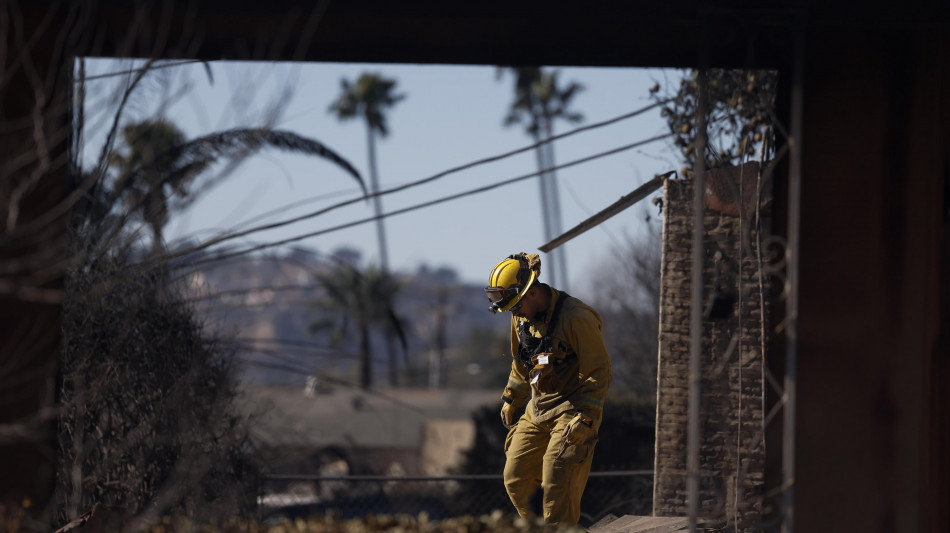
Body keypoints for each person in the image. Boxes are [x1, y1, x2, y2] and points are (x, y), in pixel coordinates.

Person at [484, 252, 611, 527]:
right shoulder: (520, 317)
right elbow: (521, 362)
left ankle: (559, 529)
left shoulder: (577, 318)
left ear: (530, 292)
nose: (514, 314)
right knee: (515, 478)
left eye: (516, 306)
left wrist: (587, 417)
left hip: (574, 408)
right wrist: (512, 397)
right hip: (538, 408)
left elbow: (598, 371)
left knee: (557, 474)